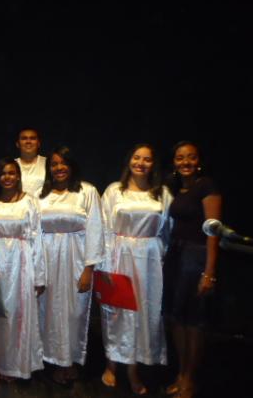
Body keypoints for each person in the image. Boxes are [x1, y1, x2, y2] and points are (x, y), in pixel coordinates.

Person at [99, 144, 172, 395]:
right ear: (129, 160)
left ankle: (133, 368)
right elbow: (105, 228)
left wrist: (157, 255)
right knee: (117, 313)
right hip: (119, 257)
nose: (141, 162)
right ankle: (111, 363)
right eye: (136, 157)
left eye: (147, 159)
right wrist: (106, 264)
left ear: (154, 164)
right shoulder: (114, 191)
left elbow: (167, 231)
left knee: (144, 313)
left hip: (148, 262)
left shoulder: (161, 193)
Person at [38, 146, 104, 384]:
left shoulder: (87, 191)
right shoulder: (40, 194)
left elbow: (96, 230)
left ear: (72, 165)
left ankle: (70, 360)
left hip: (76, 257)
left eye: (63, 163)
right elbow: (33, 232)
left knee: (74, 311)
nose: (59, 168)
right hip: (46, 258)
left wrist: (89, 268)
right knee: (48, 311)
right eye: (54, 164)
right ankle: (52, 359)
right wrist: (37, 270)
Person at [163, 141, 221, 398]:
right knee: (177, 318)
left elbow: (213, 233)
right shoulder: (178, 188)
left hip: (196, 257)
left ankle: (190, 379)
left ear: (198, 161)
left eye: (190, 158)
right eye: (180, 158)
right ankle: (180, 373)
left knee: (194, 320)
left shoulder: (206, 186)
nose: (185, 162)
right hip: (175, 255)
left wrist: (209, 272)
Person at [0, 158, 45, 381]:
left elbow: (37, 239)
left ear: (18, 176)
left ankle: (17, 365)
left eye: (11, 173)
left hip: (21, 263)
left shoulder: (29, 202)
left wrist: (39, 276)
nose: (7, 177)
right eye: (3, 173)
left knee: (19, 314)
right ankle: (0, 362)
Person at [15, 128, 47, 197]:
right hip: (17, 206)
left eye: (32, 138)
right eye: (24, 138)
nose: (28, 141)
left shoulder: (48, 163)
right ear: (17, 144)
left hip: (43, 206)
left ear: (38, 143)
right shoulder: (11, 165)